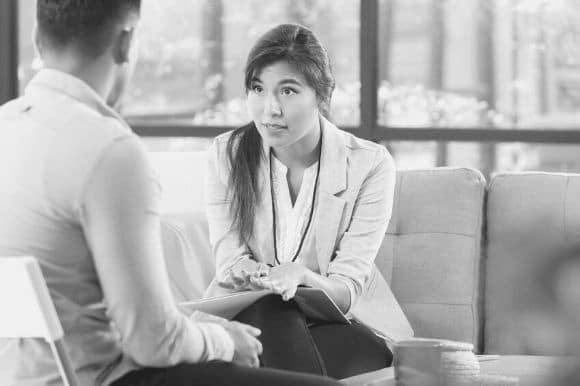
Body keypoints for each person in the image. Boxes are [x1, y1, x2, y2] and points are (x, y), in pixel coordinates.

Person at [0, 2, 339, 386]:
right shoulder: (108, 150)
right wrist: (225, 341)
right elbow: (152, 341)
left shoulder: (6, 129)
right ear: (127, 42)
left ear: (36, 36)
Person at [205, 23, 400, 378]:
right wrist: (263, 277)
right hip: (250, 319)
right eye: (258, 88)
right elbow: (229, 263)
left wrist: (303, 277)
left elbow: (348, 289)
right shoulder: (227, 155)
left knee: (356, 354)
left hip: (337, 324)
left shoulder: (369, 165)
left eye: (288, 91)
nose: (270, 109)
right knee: (271, 310)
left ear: (322, 96)